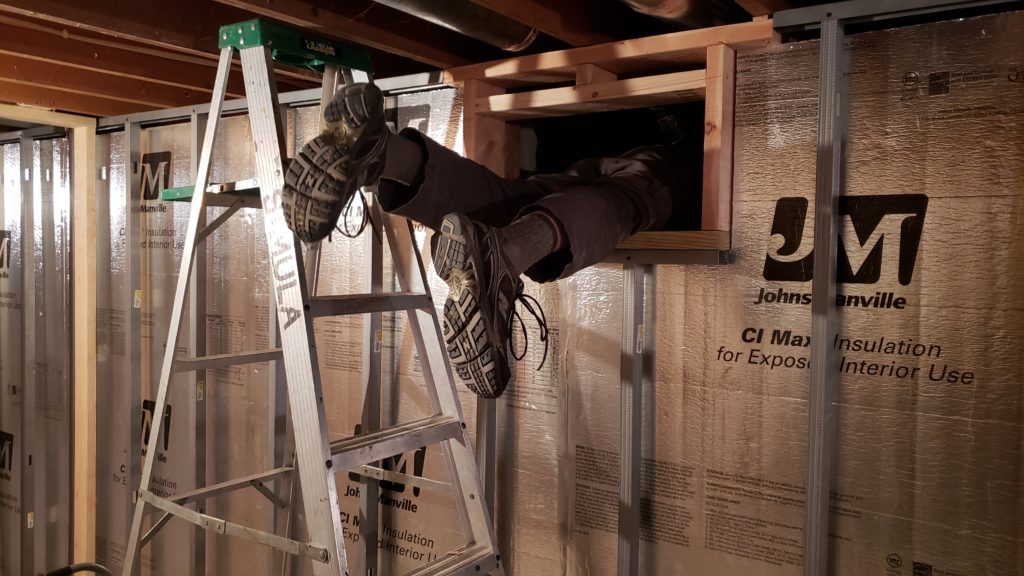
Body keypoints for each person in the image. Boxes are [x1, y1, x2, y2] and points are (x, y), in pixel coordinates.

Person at [282, 83, 695, 399]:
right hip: (663, 160)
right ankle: (505, 252)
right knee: (630, 198)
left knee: (509, 200)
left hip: (575, 164)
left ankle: (385, 157)